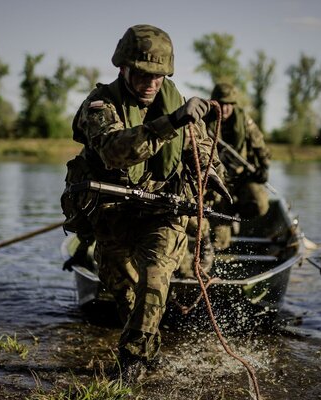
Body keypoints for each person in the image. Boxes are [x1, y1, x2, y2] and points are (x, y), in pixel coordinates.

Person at [68, 24, 230, 382]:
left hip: (162, 210)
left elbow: (198, 143)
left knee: (155, 276)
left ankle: (132, 363)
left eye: (159, 76)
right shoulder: (100, 105)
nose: (151, 83)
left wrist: (209, 169)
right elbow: (114, 151)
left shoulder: (173, 99)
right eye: (143, 74)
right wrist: (171, 122)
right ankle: (147, 344)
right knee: (125, 293)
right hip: (112, 211)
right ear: (123, 68)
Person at [204, 82, 271, 250]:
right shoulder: (204, 121)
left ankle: (237, 214)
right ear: (214, 103)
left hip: (241, 177)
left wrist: (264, 167)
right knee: (220, 241)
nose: (225, 108)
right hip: (216, 182)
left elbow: (259, 144)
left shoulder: (243, 120)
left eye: (229, 104)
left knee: (261, 204)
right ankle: (224, 223)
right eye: (221, 104)